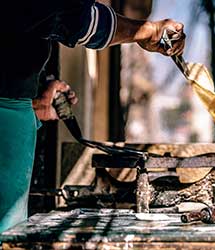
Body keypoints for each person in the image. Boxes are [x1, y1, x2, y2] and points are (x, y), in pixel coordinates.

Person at [0, 0, 185, 233]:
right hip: (7, 113)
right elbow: (69, 15)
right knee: (6, 233)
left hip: (14, 103)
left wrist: (36, 89)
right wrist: (146, 31)